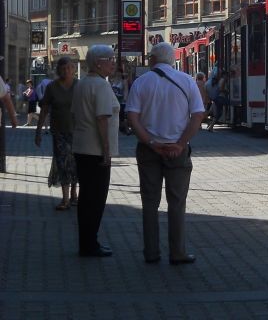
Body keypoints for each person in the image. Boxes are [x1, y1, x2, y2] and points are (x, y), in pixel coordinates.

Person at [126, 42, 205, 265]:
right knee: (177, 202)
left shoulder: (141, 83)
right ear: (172, 60)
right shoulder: (187, 81)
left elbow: (132, 117)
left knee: (150, 203)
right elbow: (198, 115)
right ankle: (177, 252)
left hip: (149, 150)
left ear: (152, 60)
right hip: (176, 151)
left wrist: (150, 142)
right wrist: (180, 144)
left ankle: (151, 253)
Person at [71, 45, 120, 257]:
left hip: (81, 147)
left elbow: (75, 115)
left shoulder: (82, 83)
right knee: (96, 199)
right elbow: (102, 118)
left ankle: (86, 241)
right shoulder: (101, 85)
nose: (114, 63)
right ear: (98, 63)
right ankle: (91, 244)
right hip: (95, 150)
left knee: (86, 198)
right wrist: (106, 151)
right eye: (110, 59)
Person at [35, 57, 79, 210]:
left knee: (75, 163)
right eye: (63, 68)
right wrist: (38, 131)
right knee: (62, 162)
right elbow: (44, 110)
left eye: (69, 68)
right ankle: (65, 199)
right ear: (58, 70)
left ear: (74, 69)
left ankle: (74, 194)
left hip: (78, 131)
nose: (66, 71)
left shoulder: (79, 86)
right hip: (59, 131)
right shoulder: (52, 87)